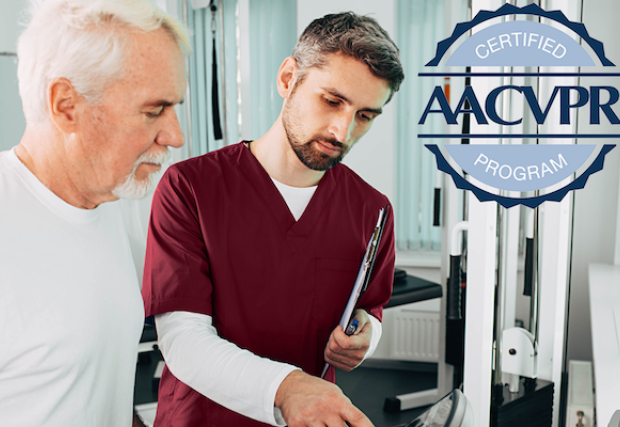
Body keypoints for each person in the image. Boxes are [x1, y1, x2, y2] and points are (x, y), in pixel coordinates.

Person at [142, 11, 404, 427]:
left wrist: (365, 339)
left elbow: (368, 310)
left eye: (365, 116)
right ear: (287, 79)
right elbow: (182, 341)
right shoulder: (189, 187)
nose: (342, 131)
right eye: (332, 101)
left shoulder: (373, 211)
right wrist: (287, 388)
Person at [0, 1, 189, 426]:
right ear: (67, 105)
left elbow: (93, 386)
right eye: (154, 110)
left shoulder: (109, 198)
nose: (175, 135)